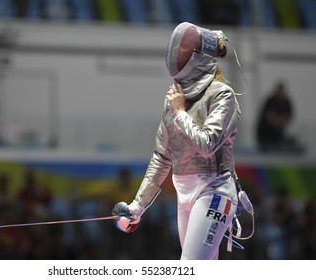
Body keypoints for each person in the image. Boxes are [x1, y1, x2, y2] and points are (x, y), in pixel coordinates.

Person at [112, 22, 242, 260]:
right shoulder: (173, 100)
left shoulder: (222, 95)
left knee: (189, 268)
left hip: (215, 192)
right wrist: (137, 207)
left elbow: (207, 145)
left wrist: (180, 112)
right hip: (185, 195)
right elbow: (162, 156)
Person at [256, 81, 302, 153]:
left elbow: (289, 116)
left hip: (278, 136)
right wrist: (277, 120)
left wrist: (280, 120)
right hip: (266, 136)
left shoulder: (286, 102)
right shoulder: (271, 101)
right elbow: (268, 116)